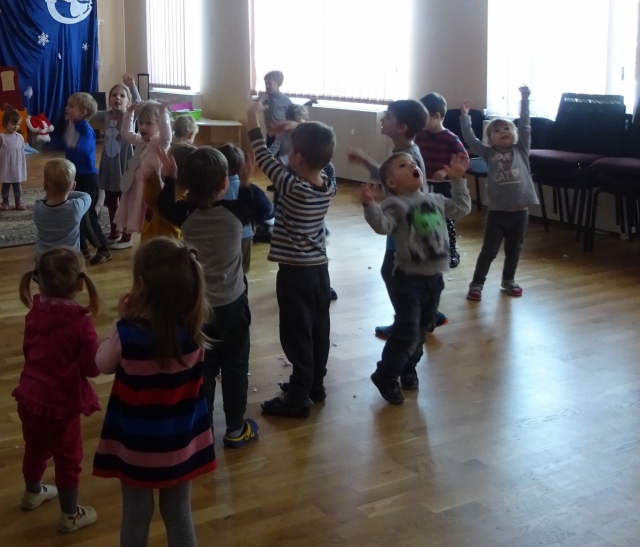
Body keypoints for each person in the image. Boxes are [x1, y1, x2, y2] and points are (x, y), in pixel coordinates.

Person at [93, 237, 218, 547]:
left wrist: (120, 321)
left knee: (135, 513)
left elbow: (101, 364)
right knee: (179, 515)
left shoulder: (127, 332)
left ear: (143, 288)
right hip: (180, 442)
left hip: (135, 443)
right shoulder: (194, 332)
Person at [158, 147, 259, 449]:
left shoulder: (184, 214)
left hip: (197, 307)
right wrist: (247, 181)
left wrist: (169, 179)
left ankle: (203, 430)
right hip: (233, 304)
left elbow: (164, 205)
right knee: (236, 365)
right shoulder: (237, 212)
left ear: (187, 184)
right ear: (224, 183)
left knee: (203, 367)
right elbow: (262, 209)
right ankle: (236, 428)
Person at [247, 107, 337, 419]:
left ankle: (298, 398)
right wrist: (299, 127)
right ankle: (314, 385)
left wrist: (253, 122)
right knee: (318, 328)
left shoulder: (291, 185)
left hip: (294, 274)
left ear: (297, 158)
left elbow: (263, 156)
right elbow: (326, 161)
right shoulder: (329, 184)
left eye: (291, 150)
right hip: (319, 271)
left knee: (296, 334)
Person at [361, 151, 472, 403]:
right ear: (392, 182)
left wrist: (458, 180)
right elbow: (383, 226)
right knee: (407, 330)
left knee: (422, 328)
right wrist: (370, 206)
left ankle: (408, 368)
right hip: (407, 280)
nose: (412, 165)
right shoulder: (395, 204)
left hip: (434, 280)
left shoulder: (436, 199)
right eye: (403, 165)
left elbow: (462, 208)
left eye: (413, 162)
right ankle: (385, 375)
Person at [13, 247, 102, 533]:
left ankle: (32, 492)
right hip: (60, 405)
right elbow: (93, 369)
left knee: (35, 447)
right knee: (68, 458)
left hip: (28, 396)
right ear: (80, 285)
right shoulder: (81, 323)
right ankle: (69, 515)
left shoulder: (34, 312)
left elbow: (28, 351)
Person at [349, 99, 449, 339]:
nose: (383, 119)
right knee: (390, 272)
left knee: (392, 273)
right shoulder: (403, 152)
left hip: (405, 224)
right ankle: (425, 313)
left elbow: (403, 184)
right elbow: (387, 175)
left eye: (388, 116)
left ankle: (409, 320)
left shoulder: (407, 155)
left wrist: (374, 200)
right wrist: (364, 161)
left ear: (402, 127)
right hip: (401, 219)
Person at [460, 86, 538, 301]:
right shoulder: (488, 153)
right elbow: (470, 139)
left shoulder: (521, 149)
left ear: (513, 134)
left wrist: (525, 100)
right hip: (497, 213)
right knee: (489, 251)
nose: (503, 131)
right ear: (490, 139)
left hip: (520, 213)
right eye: (496, 130)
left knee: (514, 250)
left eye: (506, 128)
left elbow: (525, 126)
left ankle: (508, 280)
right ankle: (477, 284)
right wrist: (465, 117)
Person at [45, 91, 111, 264]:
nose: (66, 108)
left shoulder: (86, 130)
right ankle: (82, 247)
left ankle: (103, 249)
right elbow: (65, 144)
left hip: (87, 179)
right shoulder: (73, 126)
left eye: (71, 106)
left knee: (87, 216)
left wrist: (72, 143)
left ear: (82, 112)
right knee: (76, 214)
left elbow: (84, 149)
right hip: (75, 177)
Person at [112, 99, 177, 248]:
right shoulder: (141, 140)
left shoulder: (160, 143)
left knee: (149, 219)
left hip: (149, 190)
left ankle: (152, 245)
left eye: (149, 123)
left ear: (160, 125)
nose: (143, 127)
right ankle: (143, 243)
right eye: (141, 122)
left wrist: (162, 112)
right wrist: (130, 112)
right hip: (136, 187)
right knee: (137, 217)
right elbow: (126, 133)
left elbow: (167, 136)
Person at [416, 92, 469, 268]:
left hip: (443, 186)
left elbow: (464, 159)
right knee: (425, 217)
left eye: (423, 117)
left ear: (436, 116)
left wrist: (445, 172)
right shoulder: (420, 135)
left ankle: (451, 251)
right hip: (424, 184)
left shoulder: (450, 138)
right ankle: (429, 249)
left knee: (445, 219)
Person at [96, 74, 142, 242]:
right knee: (110, 200)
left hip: (124, 164)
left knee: (125, 200)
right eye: (114, 95)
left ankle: (127, 233)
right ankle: (114, 230)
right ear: (109, 100)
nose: (118, 98)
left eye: (122, 96)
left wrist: (132, 87)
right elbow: (90, 113)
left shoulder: (130, 114)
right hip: (109, 164)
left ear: (128, 102)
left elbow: (140, 105)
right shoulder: (106, 115)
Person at [33, 158, 93, 257]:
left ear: (44, 185)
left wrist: (55, 191)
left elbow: (46, 198)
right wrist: (67, 191)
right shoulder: (75, 208)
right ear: (73, 186)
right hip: (70, 258)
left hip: (44, 258)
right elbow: (86, 197)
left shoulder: (38, 208)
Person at [0, 107, 28, 210]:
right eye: (13, 124)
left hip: (17, 167)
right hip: (6, 166)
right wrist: (2, 155)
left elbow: (22, 149)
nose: (15, 126)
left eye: (17, 124)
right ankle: (5, 202)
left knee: (17, 185)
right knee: (5, 185)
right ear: (5, 123)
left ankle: (18, 201)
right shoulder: (1, 137)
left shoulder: (20, 137)